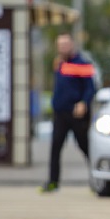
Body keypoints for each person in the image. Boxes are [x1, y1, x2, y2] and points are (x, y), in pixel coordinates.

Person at [40, 33, 96, 193]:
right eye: (60, 45)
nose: (63, 47)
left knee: (85, 146)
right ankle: (53, 182)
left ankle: (98, 178)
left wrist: (84, 103)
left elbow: (90, 88)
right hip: (60, 113)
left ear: (72, 45)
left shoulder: (83, 64)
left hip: (77, 113)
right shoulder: (59, 64)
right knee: (55, 148)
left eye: (66, 44)